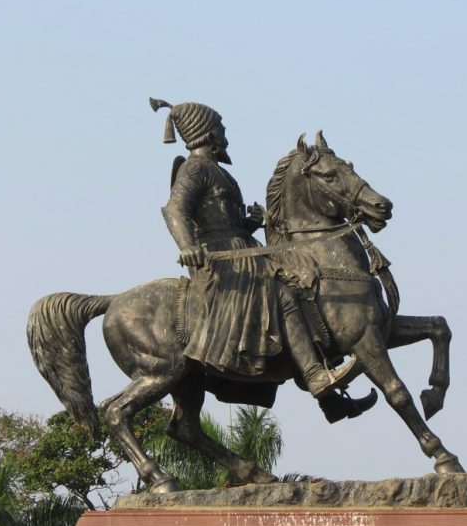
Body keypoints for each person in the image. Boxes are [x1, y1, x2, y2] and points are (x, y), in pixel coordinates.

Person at [152, 98, 375, 421]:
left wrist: (249, 223)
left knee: (302, 289)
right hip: (223, 260)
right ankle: (314, 377)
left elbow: (220, 216)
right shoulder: (196, 168)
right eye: (220, 128)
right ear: (207, 133)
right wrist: (187, 246)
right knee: (282, 295)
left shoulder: (217, 172)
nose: (225, 133)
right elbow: (175, 210)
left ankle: (330, 400)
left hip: (243, 248)